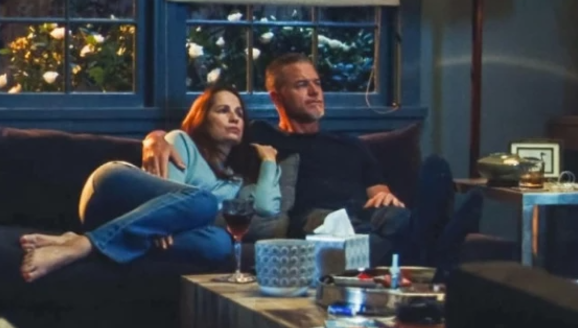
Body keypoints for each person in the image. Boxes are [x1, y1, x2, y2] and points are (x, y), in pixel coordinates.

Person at [142, 53, 483, 268]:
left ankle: (428, 241)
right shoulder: (259, 135)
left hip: (366, 215)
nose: (315, 92)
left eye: (317, 83)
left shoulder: (350, 144)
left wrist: (386, 198)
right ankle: (439, 245)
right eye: (302, 85)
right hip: (315, 222)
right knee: (382, 237)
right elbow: (201, 136)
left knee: (409, 202)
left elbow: (379, 193)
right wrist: (155, 138)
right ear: (277, 96)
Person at [20, 85, 280, 282]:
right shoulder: (180, 142)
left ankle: (81, 241)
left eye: (239, 113)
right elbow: (168, 195)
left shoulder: (235, 180)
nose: (234, 118)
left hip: (136, 224)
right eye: (223, 110)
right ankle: (83, 246)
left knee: (220, 243)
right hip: (112, 189)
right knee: (205, 202)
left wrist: (268, 160)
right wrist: (165, 222)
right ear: (203, 118)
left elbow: (267, 208)